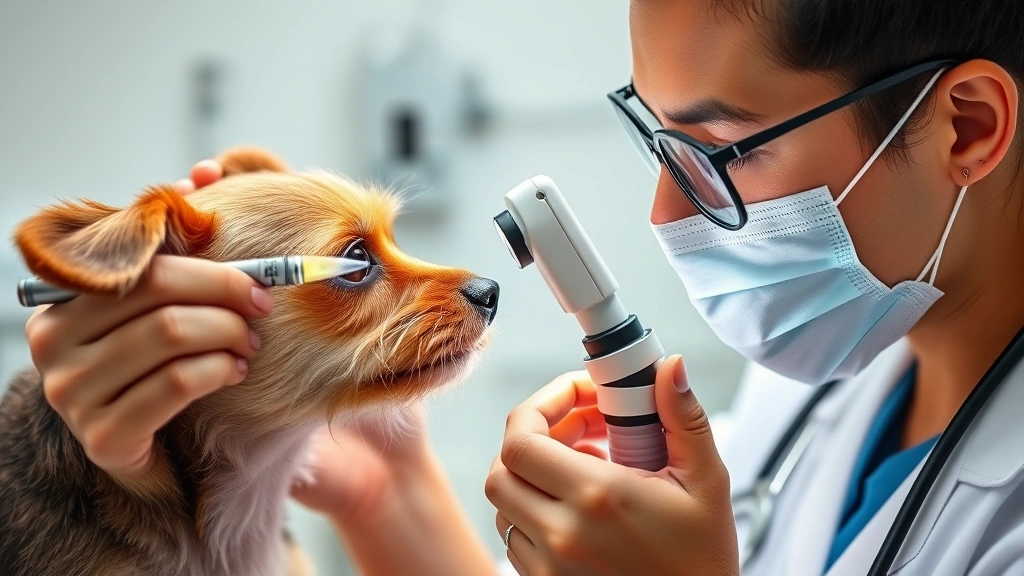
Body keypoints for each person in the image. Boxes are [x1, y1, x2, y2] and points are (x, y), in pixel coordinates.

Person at [24, 0, 1024, 574]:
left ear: (966, 128)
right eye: (656, 138)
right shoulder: (815, 383)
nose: (663, 216)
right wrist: (390, 489)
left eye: (720, 153)